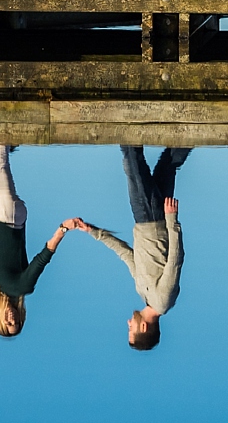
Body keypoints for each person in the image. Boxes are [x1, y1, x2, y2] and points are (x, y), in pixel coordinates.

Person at [81, 145, 190, 350]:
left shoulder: (144, 293)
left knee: (168, 163)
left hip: (147, 219)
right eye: (132, 329)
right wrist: (171, 220)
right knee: (132, 159)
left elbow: (125, 254)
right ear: (143, 327)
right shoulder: (163, 301)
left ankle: (193, 128)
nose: (128, 324)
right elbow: (176, 259)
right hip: (153, 217)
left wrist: (93, 232)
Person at [0, 144, 85, 337]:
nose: (12, 318)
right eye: (17, 321)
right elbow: (41, 260)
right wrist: (62, 229)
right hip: (8, 217)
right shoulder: (22, 288)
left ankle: (11, 137)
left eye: (9, 323)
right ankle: (10, 120)